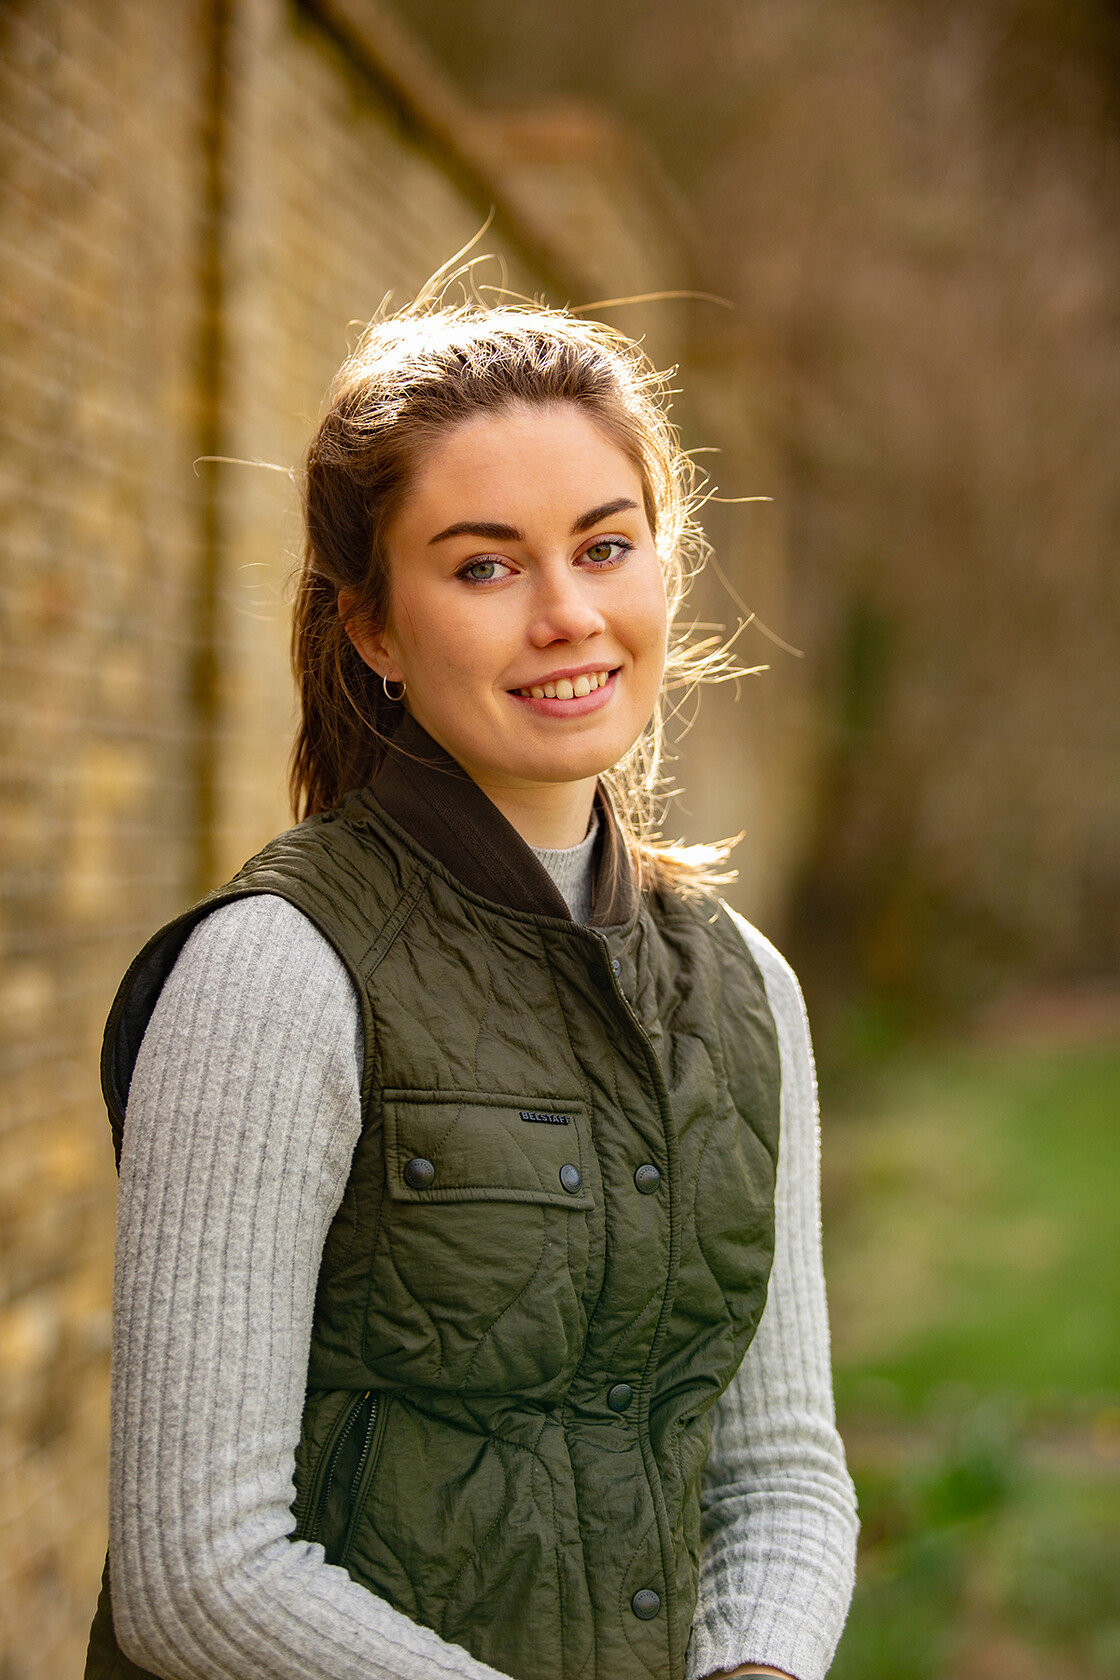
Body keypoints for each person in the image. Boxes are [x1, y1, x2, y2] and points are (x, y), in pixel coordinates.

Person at [85, 300, 858, 1680]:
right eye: (485, 567)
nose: (569, 615)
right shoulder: (275, 974)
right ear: (374, 627)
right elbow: (196, 1573)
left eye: (606, 546)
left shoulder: (752, 995)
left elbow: (782, 1472)